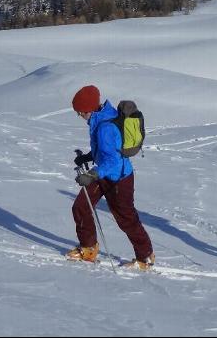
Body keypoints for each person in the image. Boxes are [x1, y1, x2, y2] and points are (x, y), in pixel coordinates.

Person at [66, 84, 154, 269]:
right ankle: (88, 248)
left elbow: (113, 160)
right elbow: (105, 151)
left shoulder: (105, 126)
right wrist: (87, 157)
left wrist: (92, 174)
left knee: (126, 219)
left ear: (88, 109)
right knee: (81, 207)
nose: (80, 116)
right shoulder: (101, 118)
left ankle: (145, 256)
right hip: (103, 173)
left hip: (119, 179)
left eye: (80, 112)